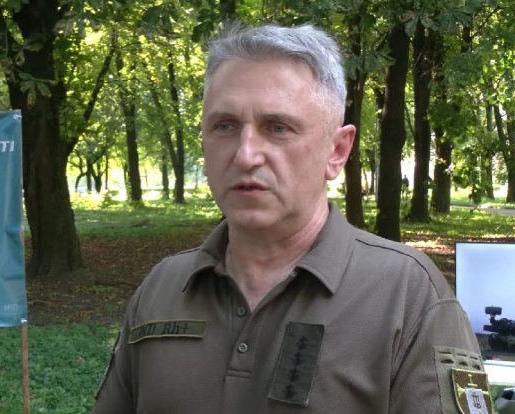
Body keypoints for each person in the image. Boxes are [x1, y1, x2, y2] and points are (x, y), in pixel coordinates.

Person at [92, 23, 488, 414]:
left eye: (278, 128)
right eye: (225, 126)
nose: (246, 155)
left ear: (337, 151)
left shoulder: (405, 295)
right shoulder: (163, 287)